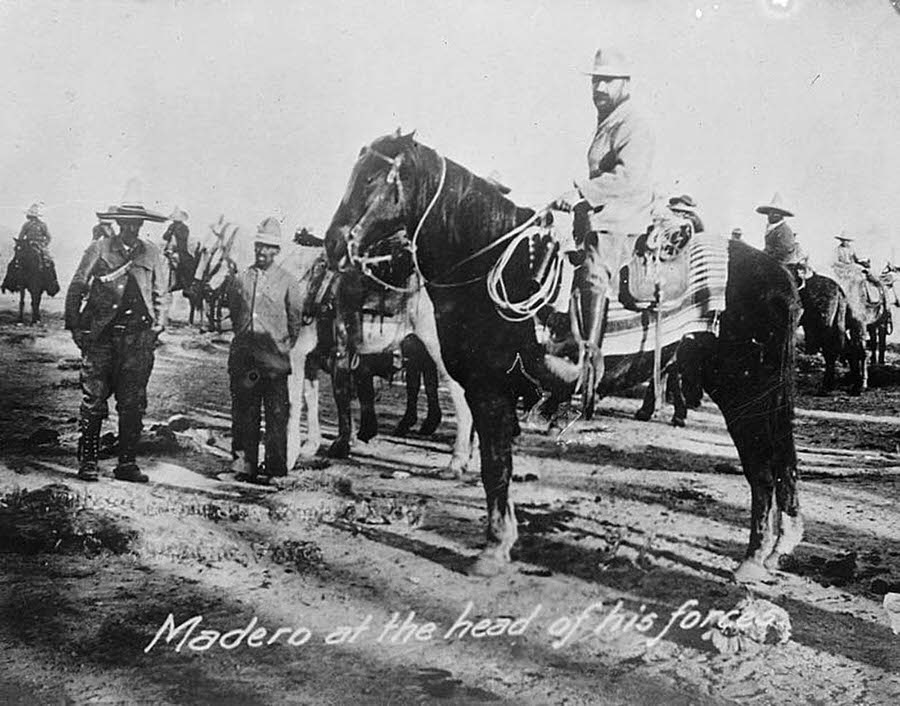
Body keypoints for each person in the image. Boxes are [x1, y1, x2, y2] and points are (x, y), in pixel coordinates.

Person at [550, 47, 655, 385]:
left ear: (626, 83)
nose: (599, 88)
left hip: (623, 222)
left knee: (592, 275)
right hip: (602, 219)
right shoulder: (609, 121)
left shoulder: (633, 123)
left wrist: (581, 193)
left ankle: (586, 366)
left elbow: (628, 178)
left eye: (607, 80)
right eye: (596, 80)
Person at [64, 180, 170, 483]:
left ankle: (127, 464)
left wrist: (158, 327)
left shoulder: (152, 253)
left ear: (141, 224)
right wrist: (76, 330)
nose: (131, 229)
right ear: (118, 222)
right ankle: (88, 462)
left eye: (136, 224)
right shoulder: (98, 249)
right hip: (101, 340)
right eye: (126, 223)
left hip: (138, 340)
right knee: (94, 401)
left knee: (133, 402)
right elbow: (76, 287)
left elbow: (161, 293)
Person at [228, 217, 304, 485]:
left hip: (273, 363)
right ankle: (243, 466)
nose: (262, 252)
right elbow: (236, 312)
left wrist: (279, 347)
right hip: (245, 361)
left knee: (276, 416)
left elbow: (295, 321)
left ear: (276, 251)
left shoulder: (288, 282)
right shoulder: (241, 279)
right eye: (259, 246)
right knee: (244, 414)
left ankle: (275, 470)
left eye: (268, 248)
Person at [757, 193, 802, 264]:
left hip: (782, 264)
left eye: (775, 214)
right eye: (770, 213)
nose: (771, 216)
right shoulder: (772, 229)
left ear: (781, 216)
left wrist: (765, 257)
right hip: (771, 261)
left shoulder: (784, 230)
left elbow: (784, 251)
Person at [161, 207, 192, 289]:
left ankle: (182, 284)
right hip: (170, 249)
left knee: (181, 265)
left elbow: (183, 238)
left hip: (180, 251)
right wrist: (170, 231)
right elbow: (165, 237)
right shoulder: (171, 226)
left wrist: (176, 232)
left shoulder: (184, 228)